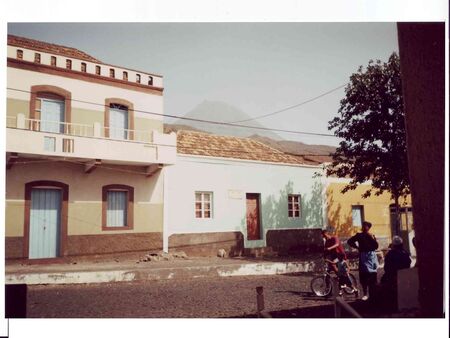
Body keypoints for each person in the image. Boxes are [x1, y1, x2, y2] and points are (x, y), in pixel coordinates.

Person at [347, 221, 379, 301]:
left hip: (371, 256)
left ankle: (373, 293)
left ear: (369, 227)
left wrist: (372, 238)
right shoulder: (359, 235)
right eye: (363, 225)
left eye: (366, 226)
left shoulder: (371, 235)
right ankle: (365, 294)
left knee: (372, 274)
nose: (364, 227)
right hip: (363, 256)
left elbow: (376, 246)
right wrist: (357, 247)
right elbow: (349, 241)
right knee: (363, 275)